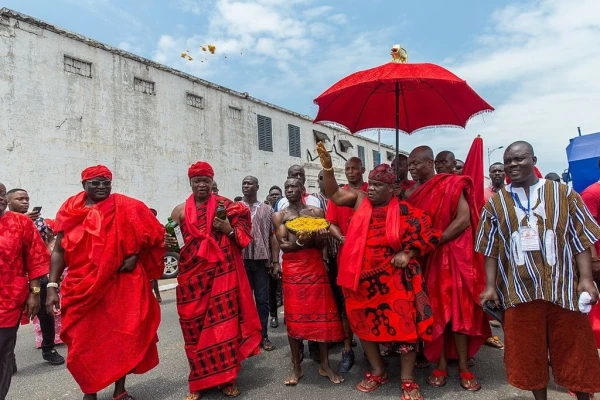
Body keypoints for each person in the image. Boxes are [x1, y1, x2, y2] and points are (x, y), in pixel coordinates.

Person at [477, 141, 600, 400]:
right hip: (519, 292)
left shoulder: (563, 194)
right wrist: (489, 286)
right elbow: (491, 248)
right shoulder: (495, 203)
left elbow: (580, 239)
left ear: (534, 159)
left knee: (575, 351)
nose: (512, 164)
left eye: (519, 159)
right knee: (528, 353)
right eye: (508, 160)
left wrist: (586, 279)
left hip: (563, 289)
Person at [317, 144, 440, 400]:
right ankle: (378, 371)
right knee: (363, 325)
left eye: (377, 185)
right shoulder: (360, 200)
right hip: (360, 281)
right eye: (370, 183)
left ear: (392, 189)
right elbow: (335, 196)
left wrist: (408, 253)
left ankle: (407, 380)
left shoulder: (406, 211)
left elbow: (428, 238)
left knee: (405, 328)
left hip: (396, 282)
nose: (371, 188)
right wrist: (327, 167)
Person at [46, 165, 164, 400]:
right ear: (84, 185)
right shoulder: (70, 212)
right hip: (82, 287)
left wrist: (135, 256)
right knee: (83, 342)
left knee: (122, 337)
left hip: (122, 284)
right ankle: (90, 390)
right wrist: (51, 286)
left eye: (106, 183)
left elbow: (156, 233)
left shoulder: (127, 206)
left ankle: (119, 391)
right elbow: (59, 251)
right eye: (95, 183)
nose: (101, 187)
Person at [166, 162, 262, 400]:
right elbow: (177, 246)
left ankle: (227, 380)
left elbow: (243, 238)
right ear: (190, 183)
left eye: (206, 181)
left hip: (222, 276)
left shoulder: (227, 207)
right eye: (197, 180)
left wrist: (228, 229)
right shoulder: (178, 211)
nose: (202, 185)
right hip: (191, 279)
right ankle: (198, 381)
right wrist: (169, 245)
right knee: (193, 331)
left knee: (224, 329)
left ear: (212, 182)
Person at [403, 146, 490, 391]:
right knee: (435, 312)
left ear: (430, 162)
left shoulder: (451, 184)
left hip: (452, 255)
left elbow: (462, 220)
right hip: (426, 259)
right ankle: (440, 364)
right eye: (409, 165)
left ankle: (463, 366)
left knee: (460, 313)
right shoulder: (410, 192)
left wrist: (434, 239)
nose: (412, 168)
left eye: (416, 163)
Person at [273, 178, 345, 386]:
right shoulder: (280, 216)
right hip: (293, 269)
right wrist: (302, 241)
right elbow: (285, 245)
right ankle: (297, 367)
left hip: (314, 266)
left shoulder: (316, 212)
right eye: (286, 187)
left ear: (303, 190)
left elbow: (321, 243)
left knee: (321, 316)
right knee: (295, 317)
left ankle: (325, 364)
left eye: (293, 186)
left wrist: (321, 239)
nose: (289, 190)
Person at [0, 182, 49, 399]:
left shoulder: (21, 223)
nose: (0, 198)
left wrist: (35, 293)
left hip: (7, 301)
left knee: (3, 352)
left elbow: (36, 259)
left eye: (1, 194)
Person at [6, 188, 65, 365]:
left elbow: (47, 246)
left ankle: (49, 348)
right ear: (8, 202)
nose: (25, 202)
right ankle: (9, 358)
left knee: (46, 312)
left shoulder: (39, 222)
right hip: (11, 278)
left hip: (37, 275)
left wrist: (53, 273)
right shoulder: (4, 222)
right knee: (9, 319)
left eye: (27, 199)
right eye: (19, 199)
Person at [325, 157, 367, 374]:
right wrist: (341, 238)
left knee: (370, 304)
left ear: (363, 170)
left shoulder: (373, 191)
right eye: (347, 169)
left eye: (354, 168)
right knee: (346, 307)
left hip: (370, 258)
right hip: (346, 258)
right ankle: (348, 349)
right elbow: (330, 222)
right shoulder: (337, 195)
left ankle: (372, 348)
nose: (351, 172)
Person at [241, 176, 275, 351]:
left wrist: (273, 260)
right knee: (244, 301)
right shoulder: (236, 208)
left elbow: (271, 236)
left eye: (250, 183)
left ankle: (263, 336)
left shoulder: (267, 210)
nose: (246, 186)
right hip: (241, 260)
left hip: (261, 260)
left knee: (262, 301)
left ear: (257, 186)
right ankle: (246, 337)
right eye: (244, 184)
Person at [266, 185, 283, 328]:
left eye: (277, 194)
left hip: (283, 254)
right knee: (271, 288)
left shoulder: (283, 212)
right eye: (272, 195)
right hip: (269, 256)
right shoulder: (265, 212)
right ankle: (273, 316)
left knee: (283, 287)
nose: (274, 196)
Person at [148, 208, 162, 303]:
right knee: (153, 278)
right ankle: (157, 296)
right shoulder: (143, 225)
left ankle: (151, 297)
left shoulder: (158, 226)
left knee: (152, 278)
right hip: (149, 255)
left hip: (154, 255)